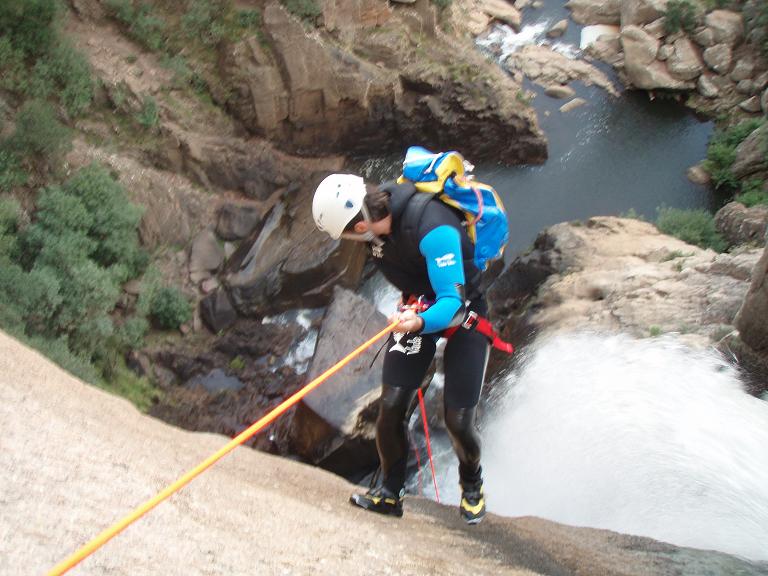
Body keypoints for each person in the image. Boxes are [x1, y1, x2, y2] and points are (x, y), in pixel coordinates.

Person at [312, 172, 494, 524]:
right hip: (421, 308)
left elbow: (453, 306)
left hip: (463, 314)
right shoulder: (376, 227)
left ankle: (472, 485)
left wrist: (419, 322)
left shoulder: (433, 227)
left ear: (361, 227)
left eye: (347, 233)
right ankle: (389, 494)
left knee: (458, 421)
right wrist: (412, 309)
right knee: (392, 405)